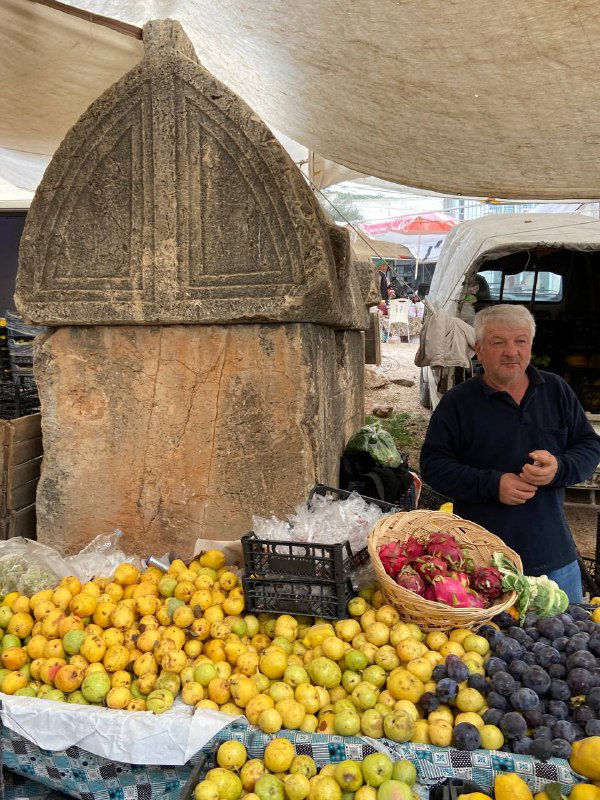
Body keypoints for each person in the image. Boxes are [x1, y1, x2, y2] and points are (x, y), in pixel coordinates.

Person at [420, 304, 600, 601]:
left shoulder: (556, 390)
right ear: (478, 349)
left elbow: (589, 444)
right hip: (482, 561)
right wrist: (493, 484)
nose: (511, 352)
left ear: (531, 345)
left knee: (567, 638)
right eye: (498, 342)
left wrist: (560, 468)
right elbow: (433, 466)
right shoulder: (457, 403)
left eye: (520, 341)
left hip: (553, 555)